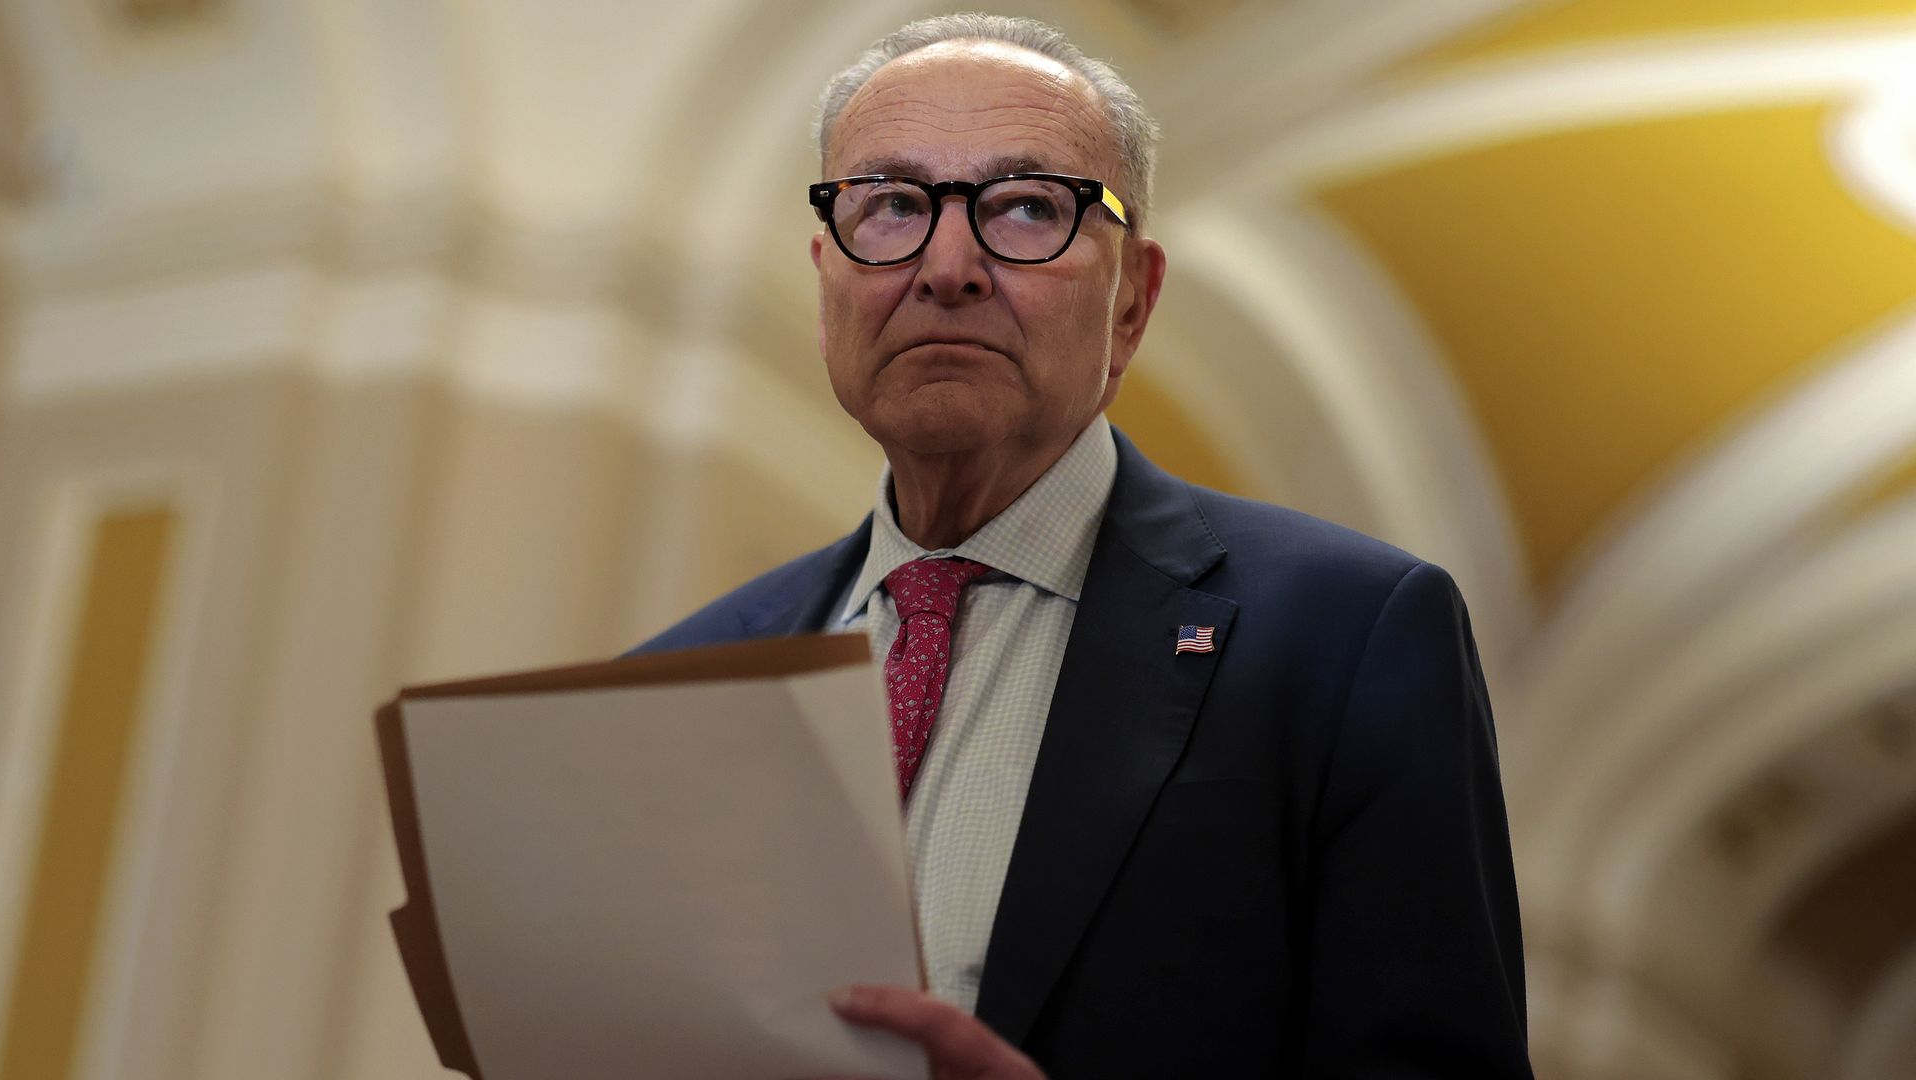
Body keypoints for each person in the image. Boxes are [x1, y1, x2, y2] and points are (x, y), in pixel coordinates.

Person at [632, 14, 1532, 1078]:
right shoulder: (677, 686)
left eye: (1025, 208)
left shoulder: (1348, 638)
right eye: (891, 207)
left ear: (1132, 304)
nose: (948, 264)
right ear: (827, 280)